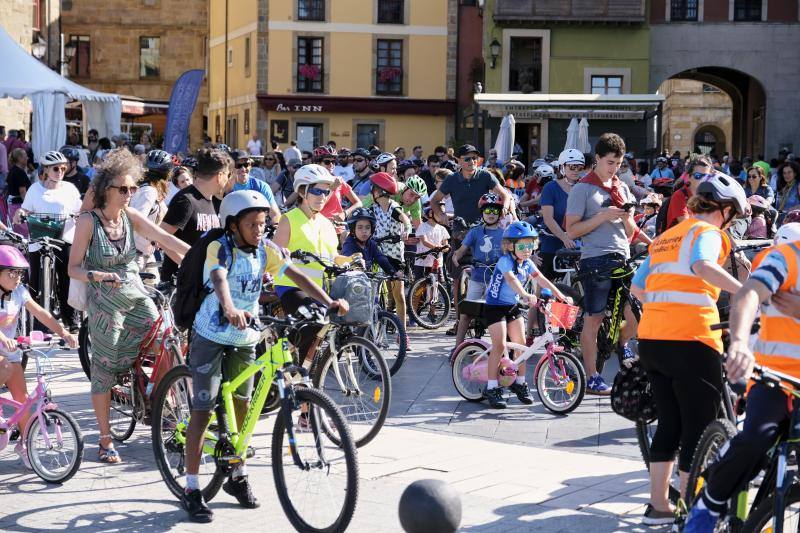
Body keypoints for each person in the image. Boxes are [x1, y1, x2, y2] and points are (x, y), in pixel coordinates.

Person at [180, 190, 347, 522]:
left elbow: (294, 274)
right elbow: (219, 278)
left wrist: (327, 301)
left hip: (244, 337)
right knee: (202, 409)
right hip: (211, 334)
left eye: (262, 225)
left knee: (243, 406)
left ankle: (237, 475)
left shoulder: (263, 249)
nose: (259, 231)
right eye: (251, 225)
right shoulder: (220, 248)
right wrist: (228, 308)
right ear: (232, 225)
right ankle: (192, 487)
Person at [630, 172, 747, 525]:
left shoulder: (667, 237)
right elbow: (702, 265)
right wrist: (745, 290)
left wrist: (665, 307)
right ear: (725, 210)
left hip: (652, 337)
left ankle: (659, 507)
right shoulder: (708, 233)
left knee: (669, 422)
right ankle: (690, 509)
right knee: (699, 423)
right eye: (734, 216)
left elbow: (638, 288)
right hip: (693, 337)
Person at [68, 148, 189, 465]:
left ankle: (162, 401)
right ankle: (105, 439)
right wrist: (97, 275)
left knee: (165, 337)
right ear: (106, 188)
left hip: (135, 292)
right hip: (104, 300)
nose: (129, 194)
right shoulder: (88, 222)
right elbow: (73, 268)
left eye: (133, 188)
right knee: (105, 370)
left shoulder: (131, 217)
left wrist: (210, 260)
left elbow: (169, 242)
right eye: (123, 189)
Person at [683, 234, 800, 533]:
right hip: (777, 378)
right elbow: (749, 294)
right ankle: (708, 504)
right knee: (756, 439)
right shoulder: (787, 258)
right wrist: (738, 343)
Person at [565, 133, 643, 395]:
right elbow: (572, 231)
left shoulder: (622, 187)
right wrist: (603, 216)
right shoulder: (583, 188)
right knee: (594, 318)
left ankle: (622, 343)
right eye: (610, 162)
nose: (614, 168)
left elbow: (630, 233)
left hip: (622, 257)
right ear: (597, 159)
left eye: (618, 163)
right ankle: (592, 376)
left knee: (636, 314)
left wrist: (627, 218)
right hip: (595, 260)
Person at [0, 245, 78, 467]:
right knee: (4, 368)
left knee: (22, 402)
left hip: (9, 350)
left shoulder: (19, 292)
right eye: (11, 273)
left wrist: (63, 332)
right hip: (3, 350)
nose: (17, 278)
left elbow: (41, 313)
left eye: (20, 273)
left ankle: (24, 445)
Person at [482, 221, 571, 409]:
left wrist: (560, 295)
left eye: (531, 245)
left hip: (512, 306)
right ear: (510, 245)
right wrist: (524, 295)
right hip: (495, 306)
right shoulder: (505, 261)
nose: (527, 250)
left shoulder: (527, 263)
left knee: (521, 345)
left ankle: (520, 383)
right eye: (522, 246)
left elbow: (541, 279)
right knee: (499, 345)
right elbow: (512, 280)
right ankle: (491, 387)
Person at [272, 164, 354, 366]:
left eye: (326, 192)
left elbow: (332, 256)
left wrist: (351, 260)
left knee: (312, 342)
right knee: (317, 318)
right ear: (302, 191)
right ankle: (276, 356)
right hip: (290, 286)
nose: (322, 196)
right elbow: (273, 256)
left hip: (319, 288)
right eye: (316, 191)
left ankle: (303, 383)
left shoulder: (326, 224)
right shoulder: (288, 219)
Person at [14, 151, 82, 331]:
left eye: (63, 168)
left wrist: (78, 216)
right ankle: (36, 321)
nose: (60, 171)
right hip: (39, 240)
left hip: (64, 239)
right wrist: (20, 214)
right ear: (45, 169)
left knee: (67, 279)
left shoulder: (70, 189)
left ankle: (71, 321)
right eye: (55, 168)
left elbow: (80, 211)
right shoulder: (35, 190)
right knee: (35, 281)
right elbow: (24, 211)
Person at [159, 148, 229, 282]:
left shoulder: (213, 200)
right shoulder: (186, 200)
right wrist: (188, 264)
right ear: (220, 176)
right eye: (227, 175)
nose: (228, 180)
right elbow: (160, 237)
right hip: (180, 284)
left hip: (203, 281)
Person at [450, 193, 505, 346]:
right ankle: (457, 347)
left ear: (500, 213)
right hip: (477, 277)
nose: (491, 214)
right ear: (482, 212)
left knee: (499, 314)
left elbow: (512, 253)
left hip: (496, 279)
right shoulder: (475, 232)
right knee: (466, 313)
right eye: (488, 211)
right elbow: (462, 249)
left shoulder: (504, 234)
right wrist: (456, 257)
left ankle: (501, 348)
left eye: (495, 211)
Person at [367, 172, 411, 336]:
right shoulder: (373, 209)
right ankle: (373, 330)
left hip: (394, 255)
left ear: (379, 192)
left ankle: (403, 334)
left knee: (398, 294)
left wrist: (407, 229)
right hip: (378, 254)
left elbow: (405, 220)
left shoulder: (394, 207)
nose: (372, 191)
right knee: (374, 293)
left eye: (373, 189)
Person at [430, 144, 510, 226]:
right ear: (458, 160)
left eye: (474, 158)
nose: (472, 161)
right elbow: (434, 201)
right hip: (460, 228)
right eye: (467, 159)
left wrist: (504, 208)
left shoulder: (486, 176)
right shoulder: (451, 179)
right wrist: (441, 215)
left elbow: (505, 195)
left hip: (483, 227)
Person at [538, 150, 584, 282]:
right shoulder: (550, 187)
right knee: (546, 282)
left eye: (579, 167)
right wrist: (564, 238)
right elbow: (548, 218)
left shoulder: (584, 187)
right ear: (562, 167)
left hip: (577, 242)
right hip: (553, 241)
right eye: (572, 166)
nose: (576, 170)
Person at [130, 150, 173, 281]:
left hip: (146, 253)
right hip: (137, 254)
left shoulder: (147, 189)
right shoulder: (149, 191)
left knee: (155, 291)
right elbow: (137, 221)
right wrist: (155, 237)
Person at [341, 207, 399, 277]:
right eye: (360, 227)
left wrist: (393, 272)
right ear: (353, 230)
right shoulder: (349, 244)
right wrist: (355, 262)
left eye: (367, 227)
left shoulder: (371, 243)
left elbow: (381, 258)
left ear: (372, 229)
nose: (364, 231)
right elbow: (348, 258)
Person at [225, 150, 281, 223]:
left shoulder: (261, 186)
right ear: (231, 167)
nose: (243, 169)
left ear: (250, 165)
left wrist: (275, 226)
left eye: (246, 164)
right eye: (238, 165)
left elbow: (275, 214)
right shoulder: (224, 186)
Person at [665, 155, 713, 230]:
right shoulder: (679, 195)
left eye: (707, 176)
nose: (702, 180)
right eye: (698, 176)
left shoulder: (709, 195)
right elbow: (687, 226)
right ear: (689, 177)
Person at [413, 205, 450, 280]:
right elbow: (425, 242)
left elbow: (446, 244)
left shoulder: (442, 229)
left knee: (437, 285)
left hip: (437, 263)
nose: (441, 215)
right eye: (439, 213)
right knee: (421, 287)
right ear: (430, 213)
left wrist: (445, 247)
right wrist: (437, 247)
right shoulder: (422, 227)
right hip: (422, 262)